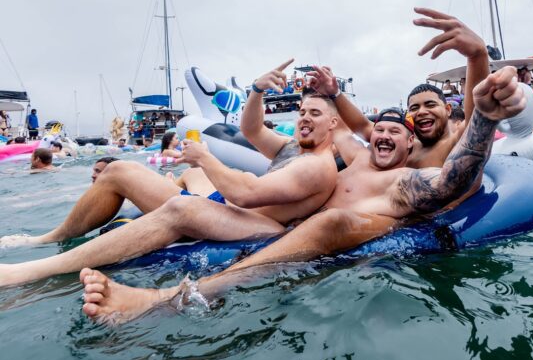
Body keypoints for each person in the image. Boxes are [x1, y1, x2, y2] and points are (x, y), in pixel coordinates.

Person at [76, 66, 525, 324]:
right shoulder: (357, 152)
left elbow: (451, 180)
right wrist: (328, 94)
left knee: (331, 222)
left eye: (396, 132)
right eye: (380, 131)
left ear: (411, 146)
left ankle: (173, 298)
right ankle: (55, 246)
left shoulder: (404, 179)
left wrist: (482, 115)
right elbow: (340, 130)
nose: (385, 136)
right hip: (272, 228)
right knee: (150, 178)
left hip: (332, 236)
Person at [0, 61, 340, 251]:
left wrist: (204, 157)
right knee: (191, 176)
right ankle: (164, 191)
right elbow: (251, 129)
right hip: (231, 205)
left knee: (119, 172)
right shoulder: (292, 148)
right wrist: (256, 90)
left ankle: (50, 238)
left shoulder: (316, 165)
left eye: (314, 113)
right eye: (302, 112)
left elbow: (246, 194)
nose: (305, 118)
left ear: (333, 123)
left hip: (239, 220)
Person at [306, 9, 489, 171]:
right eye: (415, 108)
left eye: (430, 104)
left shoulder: (457, 142)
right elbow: (363, 126)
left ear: (448, 110)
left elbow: (478, 119)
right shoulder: (408, 146)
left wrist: (477, 56)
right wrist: (334, 93)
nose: (422, 111)